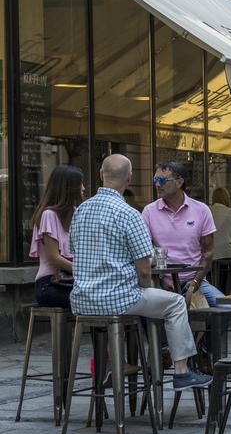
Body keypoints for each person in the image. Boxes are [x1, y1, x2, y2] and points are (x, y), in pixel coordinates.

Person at [70, 154, 211, 391]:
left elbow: (74, 252)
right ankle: (181, 371)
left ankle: (117, 366)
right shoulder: (129, 214)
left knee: (155, 302)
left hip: (81, 301)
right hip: (119, 300)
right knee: (175, 303)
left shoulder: (80, 211)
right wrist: (147, 289)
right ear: (130, 178)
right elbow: (145, 270)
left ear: (101, 175)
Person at [142, 161, 226, 307]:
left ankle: (204, 330)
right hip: (162, 283)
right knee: (152, 313)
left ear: (179, 182)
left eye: (162, 180)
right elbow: (144, 253)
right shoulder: (149, 211)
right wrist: (161, 280)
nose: (157, 184)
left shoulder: (201, 210)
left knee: (226, 307)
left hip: (194, 281)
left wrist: (195, 282)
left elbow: (208, 252)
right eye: (155, 180)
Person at [29, 165, 85, 309]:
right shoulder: (49, 215)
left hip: (73, 281)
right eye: (80, 184)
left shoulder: (76, 212)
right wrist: (85, 270)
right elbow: (55, 257)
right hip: (50, 284)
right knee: (94, 299)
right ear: (68, 188)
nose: (83, 188)